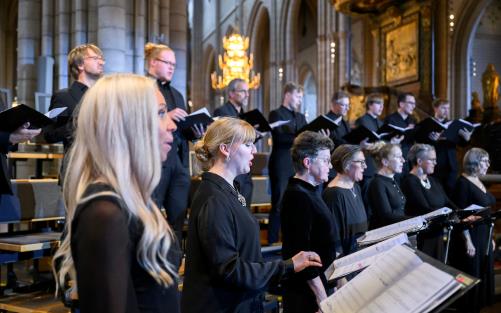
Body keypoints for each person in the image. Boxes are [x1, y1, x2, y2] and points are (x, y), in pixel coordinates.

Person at [52, 74, 181, 313]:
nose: (172, 124)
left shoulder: (131, 198)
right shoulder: (104, 212)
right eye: (161, 113)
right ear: (129, 124)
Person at [182, 117, 322, 313]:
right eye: (248, 144)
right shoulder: (213, 198)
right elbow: (229, 269)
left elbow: (246, 255)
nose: (254, 151)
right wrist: (287, 266)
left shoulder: (229, 189)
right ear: (225, 149)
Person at [280, 131, 337, 313]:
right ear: (307, 162)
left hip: (320, 284)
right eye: (325, 160)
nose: (330, 166)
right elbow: (301, 253)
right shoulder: (297, 195)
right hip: (306, 294)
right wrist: (322, 298)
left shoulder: (311, 190)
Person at [144, 42, 192, 241]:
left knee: (178, 217)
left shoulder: (177, 94)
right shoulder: (143, 88)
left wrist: (194, 130)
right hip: (154, 161)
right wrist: (166, 115)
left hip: (178, 163)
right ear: (153, 62)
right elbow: (136, 121)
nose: (172, 67)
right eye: (167, 62)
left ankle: (173, 264)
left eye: (174, 64)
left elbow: (182, 130)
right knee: (150, 215)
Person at [449, 148, 495, 313]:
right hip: (472, 236)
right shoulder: (462, 183)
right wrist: (467, 240)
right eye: (484, 161)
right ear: (474, 163)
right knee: (472, 276)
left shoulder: (478, 180)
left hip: (484, 235)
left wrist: (491, 238)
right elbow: (460, 216)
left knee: (483, 276)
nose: (488, 164)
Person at [44, 44, 104, 151]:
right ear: (80, 65)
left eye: (101, 59)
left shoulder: (104, 95)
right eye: (95, 58)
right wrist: (77, 124)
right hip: (76, 163)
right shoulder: (63, 96)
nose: (101, 62)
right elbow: (49, 135)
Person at [267, 81, 307, 245]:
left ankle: (294, 241)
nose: (299, 100)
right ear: (287, 94)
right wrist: (298, 138)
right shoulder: (276, 114)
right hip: (281, 162)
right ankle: (272, 241)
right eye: (298, 96)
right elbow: (279, 138)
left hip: (298, 164)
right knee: (279, 203)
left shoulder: (300, 117)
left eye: (301, 97)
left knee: (298, 203)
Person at [400, 144, 455, 261]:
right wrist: (449, 216)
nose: (435, 163)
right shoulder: (410, 182)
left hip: (437, 234)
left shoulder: (433, 180)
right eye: (432, 160)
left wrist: (463, 214)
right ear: (419, 161)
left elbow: (447, 202)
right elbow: (424, 208)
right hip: (423, 238)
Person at [213, 78, 254, 207]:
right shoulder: (222, 112)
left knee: (245, 207)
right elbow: (225, 138)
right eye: (243, 91)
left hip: (244, 167)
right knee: (233, 207)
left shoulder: (244, 115)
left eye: (248, 91)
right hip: (231, 166)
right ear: (231, 93)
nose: (247, 94)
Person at [323, 144, 368, 258]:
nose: (365, 166)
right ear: (346, 164)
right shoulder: (334, 194)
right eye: (361, 162)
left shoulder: (356, 187)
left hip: (361, 256)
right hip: (347, 263)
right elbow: (335, 242)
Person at [367, 142, 409, 229]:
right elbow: (386, 216)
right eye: (398, 157)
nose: (403, 160)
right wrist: (413, 220)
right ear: (385, 162)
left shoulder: (392, 180)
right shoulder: (377, 183)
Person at [384, 92, 417, 171]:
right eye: (411, 103)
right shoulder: (390, 119)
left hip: (410, 159)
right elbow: (385, 141)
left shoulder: (413, 120)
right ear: (401, 104)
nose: (413, 106)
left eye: (414, 103)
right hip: (397, 159)